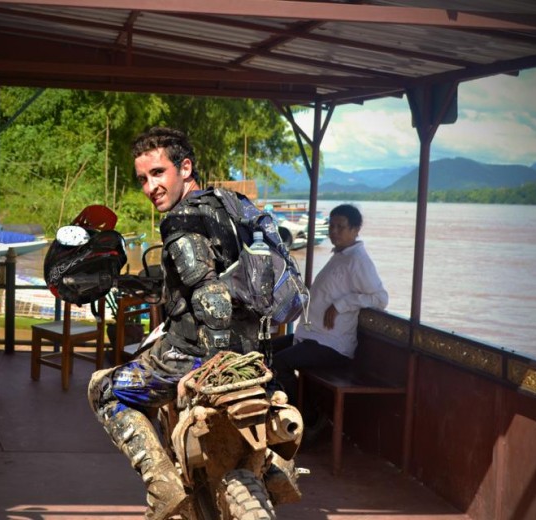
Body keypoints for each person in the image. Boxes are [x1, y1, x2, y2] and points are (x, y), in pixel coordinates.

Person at [87, 127, 297, 519]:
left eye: (158, 173)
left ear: (185, 168)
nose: (150, 187)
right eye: (143, 179)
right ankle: (269, 469)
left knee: (103, 390)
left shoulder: (182, 221)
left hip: (196, 354)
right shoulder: (234, 204)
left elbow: (210, 294)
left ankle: (162, 485)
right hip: (254, 353)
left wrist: (210, 369)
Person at [271, 204, 388, 426]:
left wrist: (341, 304)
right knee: (263, 352)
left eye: (341, 227)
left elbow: (380, 298)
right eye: (332, 226)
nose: (334, 232)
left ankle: (308, 417)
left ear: (355, 229)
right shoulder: (341, 255)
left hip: (333, 344)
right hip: (313, 335)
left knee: (279, 363)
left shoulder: (358, 261)